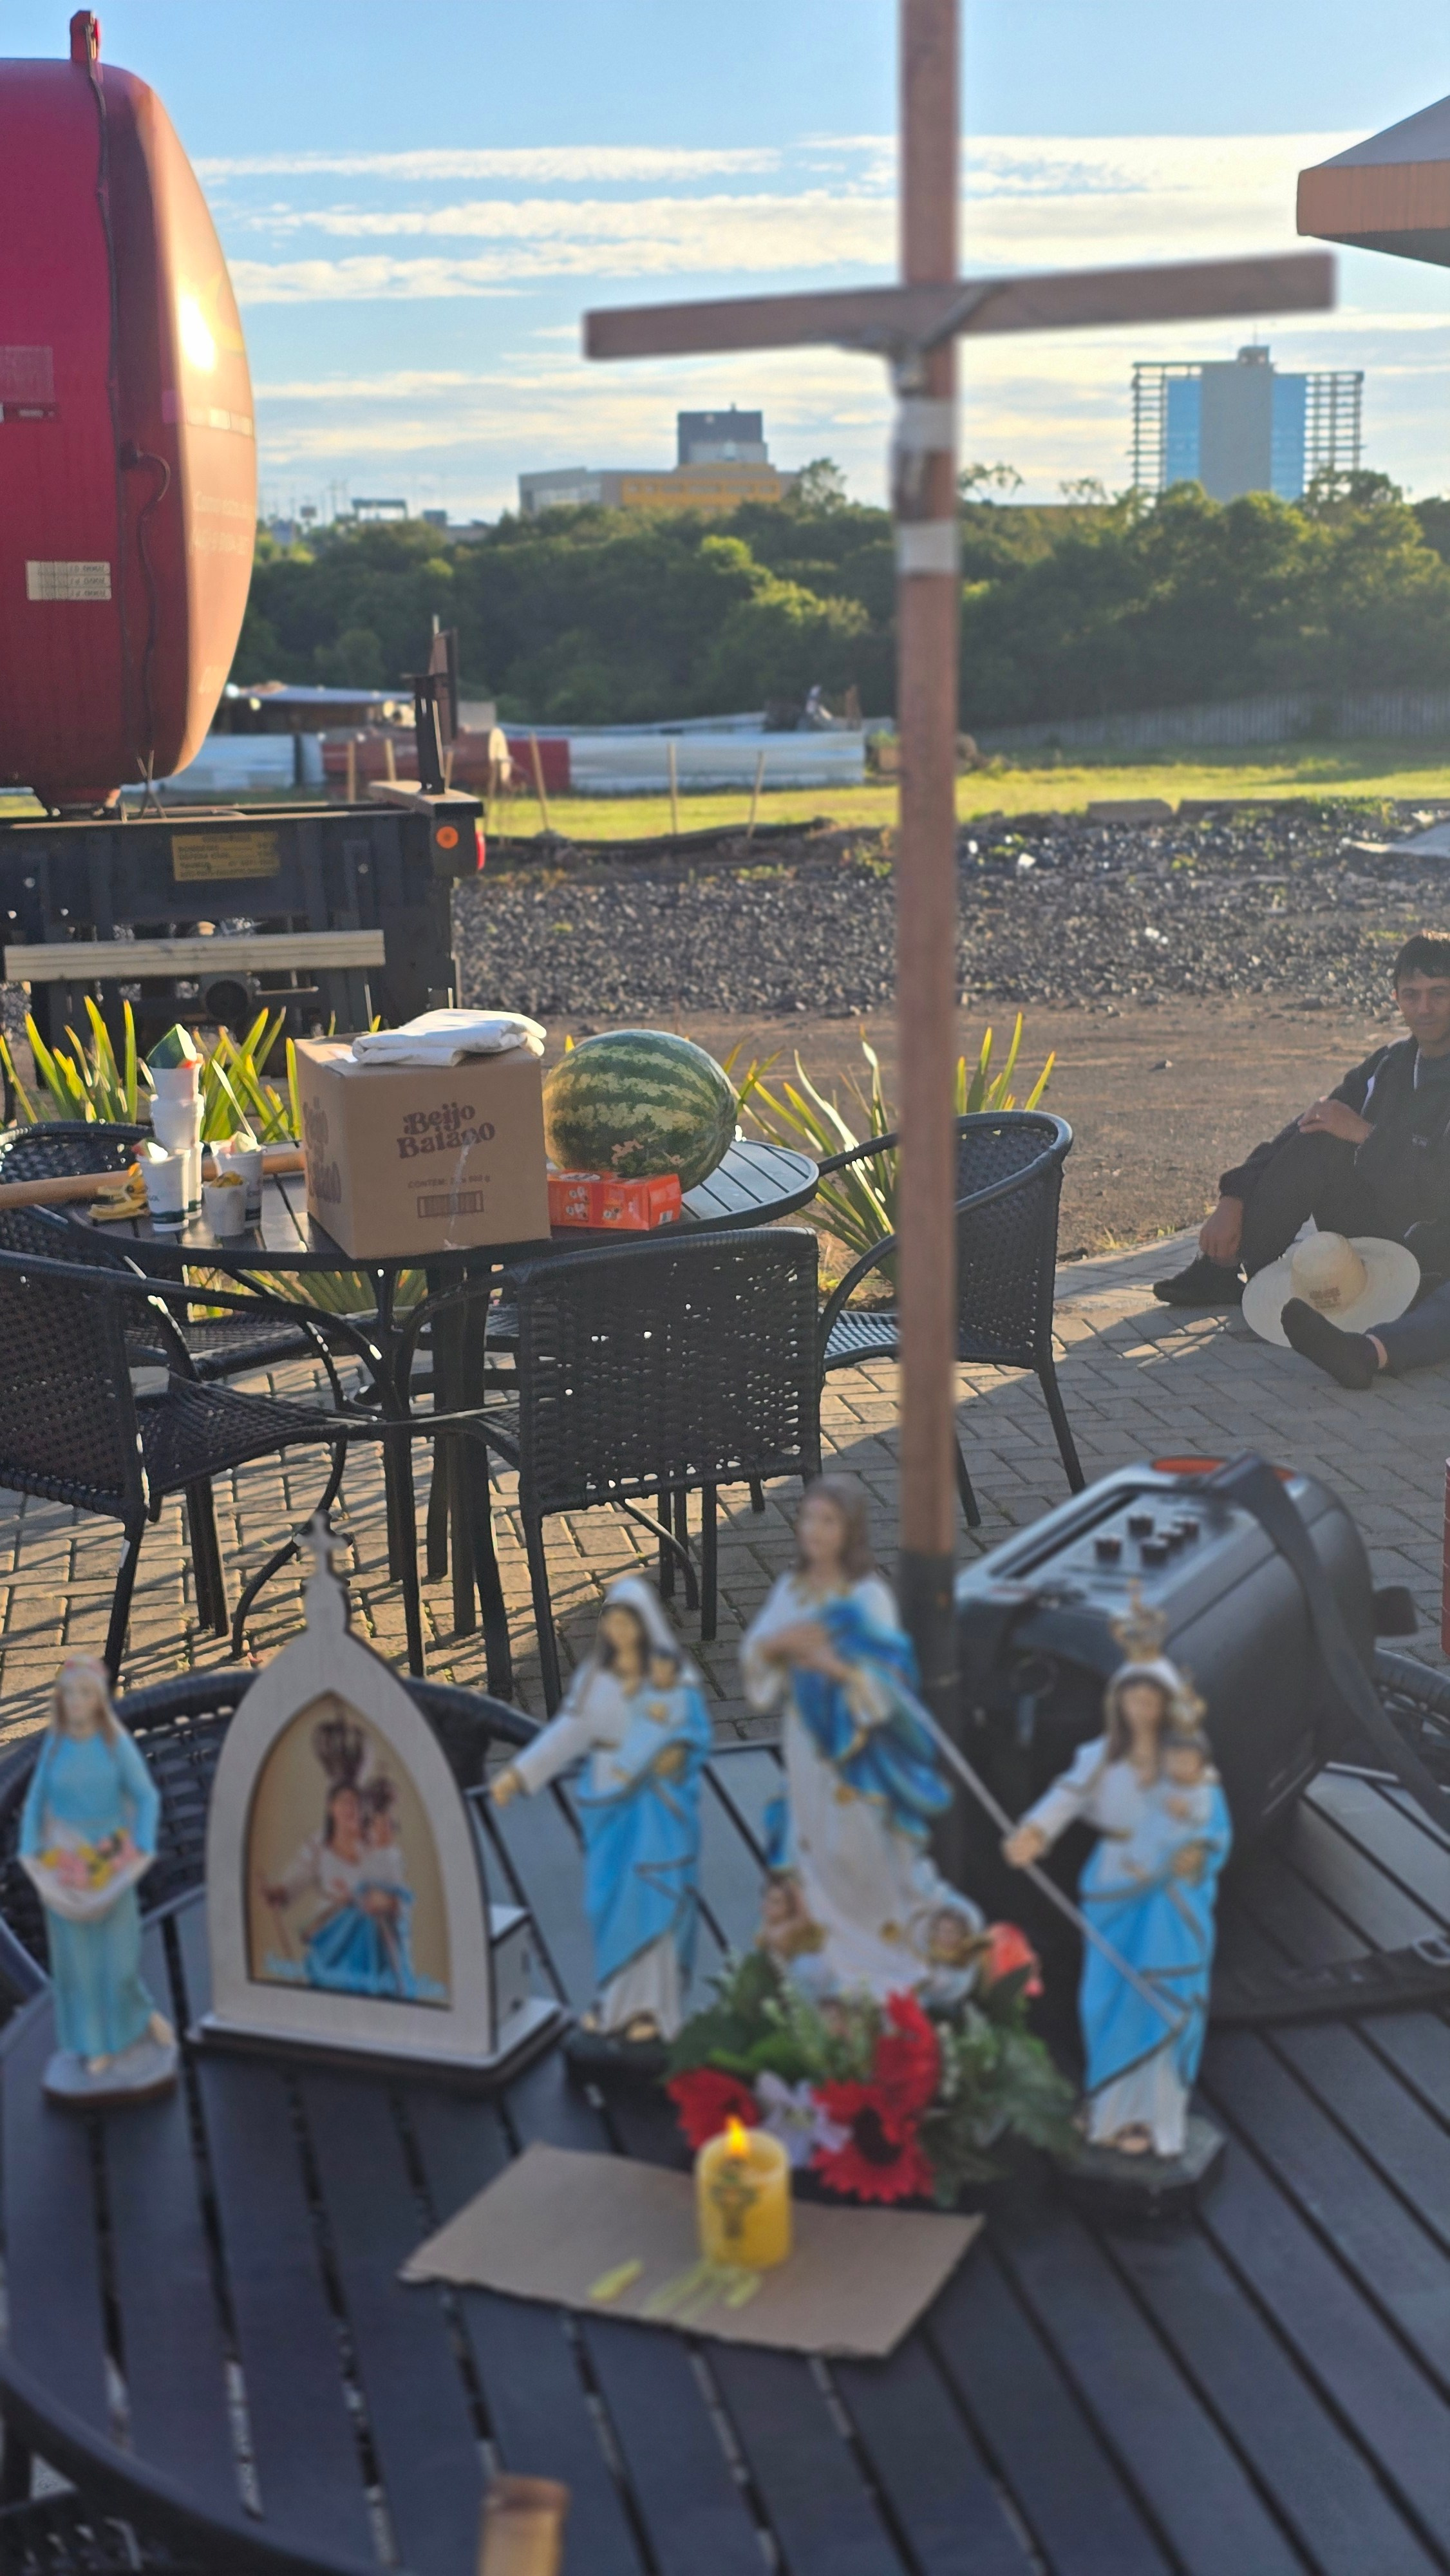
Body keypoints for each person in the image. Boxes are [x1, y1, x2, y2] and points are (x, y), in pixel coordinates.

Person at [740, 1473, 982, 2000]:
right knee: (813, 1836)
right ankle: (824, 1942)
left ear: (850, 1531)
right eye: (809, 1518)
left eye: (828, 1521)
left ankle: (877, 1945)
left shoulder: (868, 1598)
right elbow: (759, 1655)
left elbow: (889, 1684)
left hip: (859, 1750)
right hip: (807, 1740)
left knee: (858, 1844)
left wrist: (831, 1665)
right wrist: (778, 1646)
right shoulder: (792, 1590)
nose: (815, 1530)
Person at [1003, 1648, 1230, 2161]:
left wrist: (1198, 1855)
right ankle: (1112, 2111)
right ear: (1118, 1702)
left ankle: (1156, 2116)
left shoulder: (1187, 1762)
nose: (1142, 1709)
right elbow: (1066, 1797)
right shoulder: (1100, 1757)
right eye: (1134, 1698)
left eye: (1152, 1699)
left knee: (1164, 2002)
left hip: (1172, 1900)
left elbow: (1213, 1824)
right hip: (1114, 1892)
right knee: (1105, 2002)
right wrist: (1035, 1832)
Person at [1154, 932, 1450, 1306]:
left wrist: (1365, 1134)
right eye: (1412, 995)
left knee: (1340, 1131)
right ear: (1396, 999)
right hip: (1380, 1230)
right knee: (1321, 1132)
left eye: (1439, 993)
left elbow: (1439, 1186)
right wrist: (1234, 1195)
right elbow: (1313, 1121)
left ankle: (1235, 1265)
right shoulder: (1391, 1063)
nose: (1425, 1008)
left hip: (1436, 1244)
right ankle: (1227, 1264)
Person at [491, 1577, 711, 2058]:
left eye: (628, 1623)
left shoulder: (670, 1678)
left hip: (656, 1812)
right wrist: (521, 1775)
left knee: (654, 1903)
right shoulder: (598, 1679)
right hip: (609, 1808)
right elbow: (568, 1733)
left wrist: (677, 1754)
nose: (619, 1632)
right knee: (609, 1905)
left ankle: (655, 2010)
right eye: (612, 1622)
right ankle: (618, 2007)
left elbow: (694, 1731)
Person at [20, 1659, 175, 2094]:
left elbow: (145, 1797)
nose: (76, 1702)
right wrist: (33, 1857)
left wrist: (139, 1846)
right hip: (66, 1867)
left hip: (110, 1863)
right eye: (70, 1694)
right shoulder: (55, 1747)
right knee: (78, 1967)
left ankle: (136, 2020)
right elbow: (35, 1804)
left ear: (99, 1700)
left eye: (85, 1693)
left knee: (119, 1961)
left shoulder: (114, 1744)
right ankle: (96, 2044)